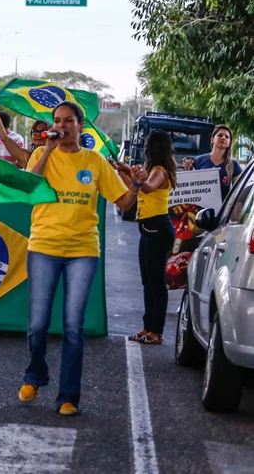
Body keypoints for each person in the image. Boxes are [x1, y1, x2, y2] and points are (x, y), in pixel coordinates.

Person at [20, 101, 146, 416]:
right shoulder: (40, 154)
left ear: (81, 125)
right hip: (44, 246)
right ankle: (35, 374)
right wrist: (47, 151)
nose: (60, 126)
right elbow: (28, 188)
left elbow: (125, 203)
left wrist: (136, 184)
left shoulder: (95, 161)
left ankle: (68, 397)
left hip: (82, 251)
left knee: (73, 326)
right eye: (56, 120)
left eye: (67, 121)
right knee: (37, 324)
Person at [129, 130, 177, 345]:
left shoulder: (160, 170)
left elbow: (146, 188)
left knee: (157, 283)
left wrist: (134, 177)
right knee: (147, 282)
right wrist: (125, 171)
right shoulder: (152, 168)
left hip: (158, 228)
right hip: (148, 228)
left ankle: (156, 331)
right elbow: (137, 187)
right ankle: (148, 327)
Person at [183, 124, 241, 201]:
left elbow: (238, 192)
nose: (223, 138)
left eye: (227, 137)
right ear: (212, 139)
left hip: (222, 210)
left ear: (229, 143)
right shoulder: (199, 160)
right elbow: (188, 186)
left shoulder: (234, 165)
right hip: (200, 207)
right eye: (220, 135)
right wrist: (187, 168)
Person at [0, 101, 49, 168]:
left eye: (43, 132)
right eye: (35, 132)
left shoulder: (56, 155)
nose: (38, 135)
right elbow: (5, 138)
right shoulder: (27, 156)